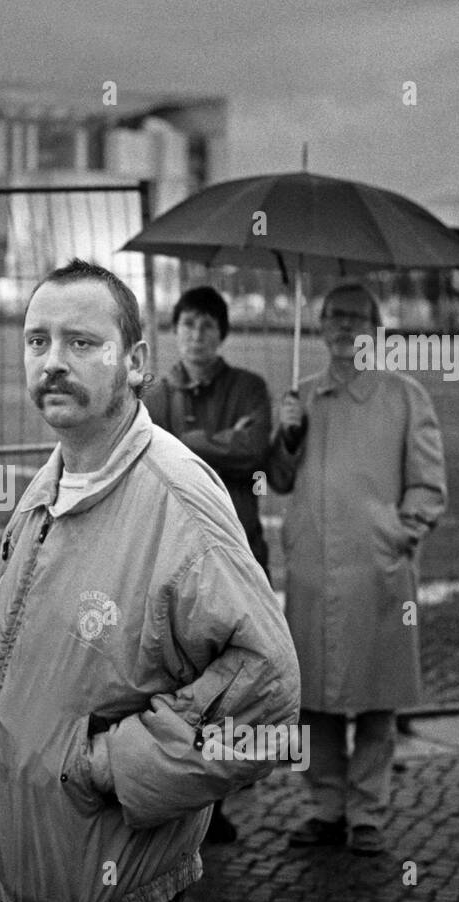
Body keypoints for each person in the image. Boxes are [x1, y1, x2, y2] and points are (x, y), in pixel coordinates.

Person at [0, 259, 300, 902]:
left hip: (111, 901)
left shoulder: (176, 501)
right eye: (37, 340)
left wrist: (109, 765)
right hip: (27, 879)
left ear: (137, 361)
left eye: (82, 343)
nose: (53, 362)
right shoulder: (46, 484)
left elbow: (270, 697)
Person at [268, 282, 447, 856]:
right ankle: (326, 807)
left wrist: (401, 534)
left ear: (377, 327)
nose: (344, 326)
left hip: (376, 569)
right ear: (319, 326)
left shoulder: (405, 395)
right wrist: (288, 433)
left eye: (355, 317)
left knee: (375, 694)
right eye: (334, 316)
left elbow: (428, 482)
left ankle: (367, 812)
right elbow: (279, 478)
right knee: (313, 695)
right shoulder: (302, 396)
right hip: (314, 572)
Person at [144, 285, 273, 844]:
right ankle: (177, 795)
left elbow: (254, 450)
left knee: (232, 681)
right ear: (176, 330)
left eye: (207, 325)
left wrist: (189, 442)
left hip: (239, 548)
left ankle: (214, 803)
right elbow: (147, 454)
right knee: (177, 679)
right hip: (170, 555)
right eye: (188, 324)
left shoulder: (249, 387)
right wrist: (220, 443)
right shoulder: (155, 391)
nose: (197, 335)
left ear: (223, 333)